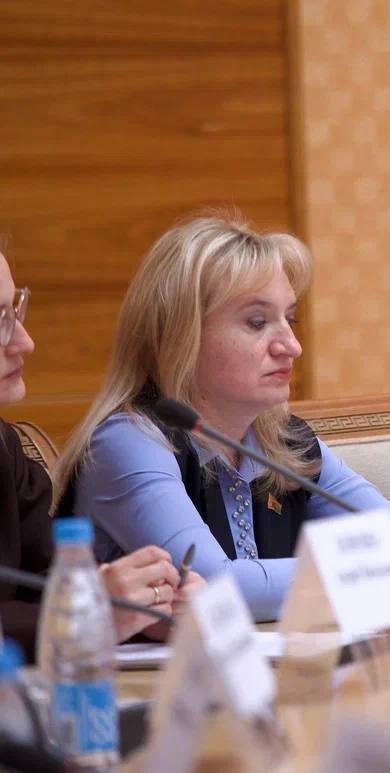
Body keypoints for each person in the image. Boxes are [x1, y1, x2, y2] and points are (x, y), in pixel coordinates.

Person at [51, 217, 390, 622]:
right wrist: (381, 566)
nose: (291, 346)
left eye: (290, 319)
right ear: (180, 335)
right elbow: (214, 588)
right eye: (258, 323)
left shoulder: (284, 443)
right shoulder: (130, 443)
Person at [0, 249, 199, 661]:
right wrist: (86, 613)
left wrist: (140, 609)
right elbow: (68, 607)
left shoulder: (4, 447)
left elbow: (49, 581)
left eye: (14, 312)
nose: (25, 342)